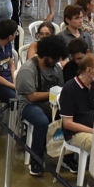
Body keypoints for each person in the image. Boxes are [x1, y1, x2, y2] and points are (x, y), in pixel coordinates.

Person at [17, 34, 68, 176]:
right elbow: (32, 96)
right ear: (46, 54)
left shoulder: (56, 69)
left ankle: (67, 155)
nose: (56, 61)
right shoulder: (28, 69)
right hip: (28, 105)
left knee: (69, 118)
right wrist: (53, 94)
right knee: (41, 121)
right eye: (54, 58)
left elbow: (60, 89)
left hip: (51, 105)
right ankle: (36, 159)